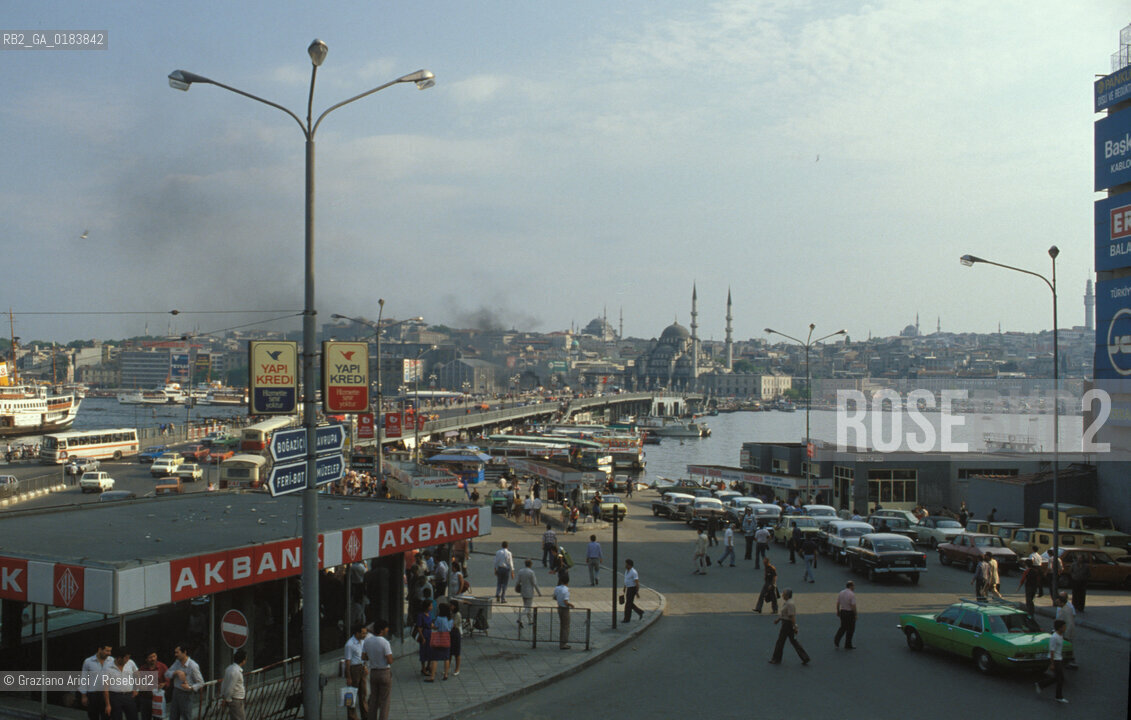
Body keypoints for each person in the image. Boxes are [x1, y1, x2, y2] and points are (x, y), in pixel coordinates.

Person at [768, 588, 810, 665]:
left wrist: (795, 627)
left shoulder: (789, 604)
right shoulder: (787, 603)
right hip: (787, 623)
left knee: (780, 641)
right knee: (793, 641)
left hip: (787, 625)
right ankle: (805, 657)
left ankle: (776, 658)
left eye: (783, 594)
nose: (782, 595)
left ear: (787, 595)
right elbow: (785, 614)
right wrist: (778, 619)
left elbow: (792, 616)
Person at [362, 619, 394, 720]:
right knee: (384, 700)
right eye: (386, 628)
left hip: (373, 672)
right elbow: (389, 660)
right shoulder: (385, 642)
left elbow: (364, 657)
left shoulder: (367, 641)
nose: (387, 630)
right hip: (384, 672)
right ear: (382, 630)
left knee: (374, 699)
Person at [164, 645, 203, 720]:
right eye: (175, 652)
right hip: (176, 692)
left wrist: (190, 687)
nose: (175, 654)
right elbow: (167, 673)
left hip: (186, 694)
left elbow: (201, 683)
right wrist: (176, 672)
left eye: (177, 652)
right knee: (173, 716)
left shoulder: (193, 666)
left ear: (184, 652)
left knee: (186, 717)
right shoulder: (177, 663)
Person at [1035, 619, 1069, 703]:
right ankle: (1059, 696)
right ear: (1060, 628)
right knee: (1060, 679)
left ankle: (1041, 684)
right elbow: (1052, 650)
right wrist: (1052, 663)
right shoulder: (1054, 637)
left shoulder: (1060, 635)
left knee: (1057, 678)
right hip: (1055, 659)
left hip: (1059, 658)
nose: (1065, 628)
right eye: (1064, 627)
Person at [103, 647, 139, 720]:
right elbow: (105, 687)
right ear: (119, 658)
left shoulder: (130, 663)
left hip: (129, 696)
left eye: (128, 657)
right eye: (126, 658)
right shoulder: (108, 667)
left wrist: (136, 688)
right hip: (115, 697)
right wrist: (108, 705)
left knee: (133, 717)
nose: (127, 660)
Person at [81, 644, 115, 720]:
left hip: (107, 694)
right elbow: (84, 678)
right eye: (107, 651)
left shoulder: (112, 661)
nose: (109, 653)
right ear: (100, 649)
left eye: (110, 651)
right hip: (93, 694)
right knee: (93, 716)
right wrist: (83, 695)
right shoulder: (88, 661)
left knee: (107, 717)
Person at [343, 624, 368, 720]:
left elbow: (363, 655)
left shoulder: (362, 642)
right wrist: (348, 677)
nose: (365, 635)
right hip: (354, 669)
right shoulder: (349, 644)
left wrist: (365, 666)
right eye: (363, 633)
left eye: (365, 633)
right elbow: (347, 661)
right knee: (351, 694)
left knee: (363, 693)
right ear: (357, 633)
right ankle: (352, 716)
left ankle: (365, 716)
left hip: (361, 667)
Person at [136, 651, 167, 720]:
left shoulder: (162, 667)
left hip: (158, 698)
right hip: (145, 699)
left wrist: (164, 684)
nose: (153, 659)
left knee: (158, 718)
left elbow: (168, 680)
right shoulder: (142, 669)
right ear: (146, 659)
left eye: (154, 656)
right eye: (150, 657)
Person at [429, 603, 454, 681]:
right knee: (446, 658)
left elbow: (435, 627)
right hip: (446, 638)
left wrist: (432, 625)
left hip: (438, 639)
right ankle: (446, 675)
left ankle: (432, 676)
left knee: (435, 658)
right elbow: (450, 628)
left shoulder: (439, 618)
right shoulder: (450, 619)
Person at [219, 650, 247, 720]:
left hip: (235, 699)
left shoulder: (229, 668)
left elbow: (224, 684)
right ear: (243, 660)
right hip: (236, 700)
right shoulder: (236, 672)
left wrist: (223, 696)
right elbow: (230, 687)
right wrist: (227, 699)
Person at [1055, 592, 1078, 669]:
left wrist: (1066, 635)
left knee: (1067, 647)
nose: (1056, 604)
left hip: (1065, 632)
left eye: (1058, 602)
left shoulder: (1067, 609)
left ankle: (1070, 661)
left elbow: (1070, 623)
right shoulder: (1063, 608)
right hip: (1062, 631)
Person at [516, 558, 542, 627]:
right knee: (528, 607)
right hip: (529, 591)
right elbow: (534, 583)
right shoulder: (531, 572)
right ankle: (520, 618)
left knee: (526, 606)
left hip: (523, 590)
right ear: (530, 565)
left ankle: (530, 620)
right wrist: (539, 592)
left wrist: (516, 588)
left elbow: (518, 581)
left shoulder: (520, 571)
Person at [553, 573, 575, 649]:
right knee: (566, 626)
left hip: (559, 607)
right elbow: (566, 601)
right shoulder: (566, 590)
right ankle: (563, 643)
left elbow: (554, 597)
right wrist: (571, 605)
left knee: (562, 625)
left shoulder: (557, 588)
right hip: (565, 609)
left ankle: (561, 641)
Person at [834, 581, 857, 649]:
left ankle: (836, 640)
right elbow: (853, 606)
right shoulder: (851, 594)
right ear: (850, 586)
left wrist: (838, 611)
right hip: (849, 613)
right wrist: (855, 614)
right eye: (853, 586)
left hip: (843, 612)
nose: (854, 587)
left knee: (843, 627)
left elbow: (838, 603)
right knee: (851, 629)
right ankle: (848, 644)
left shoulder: (841, 592)